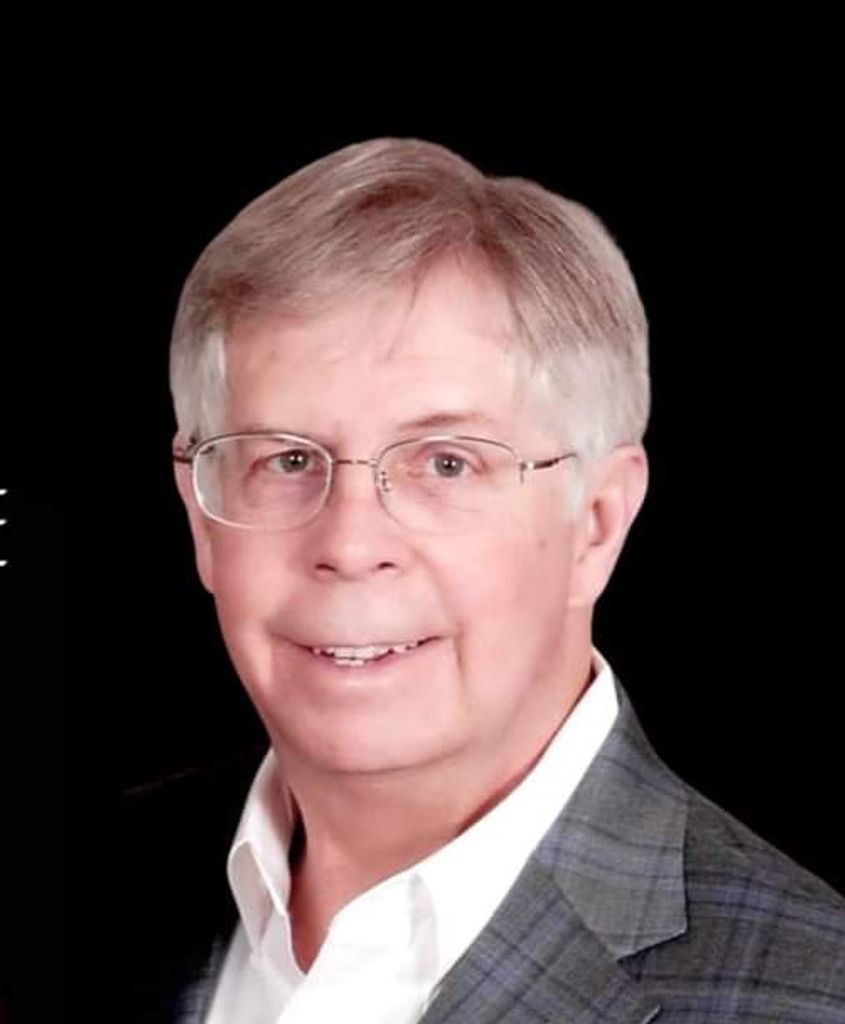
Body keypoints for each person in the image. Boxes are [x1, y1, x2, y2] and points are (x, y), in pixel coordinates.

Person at [126, 138, 843, 1022]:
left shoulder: (810, 994)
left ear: (595, 522)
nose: (350, 544)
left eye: (446, 463)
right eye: (287, 459)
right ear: (200, 517)